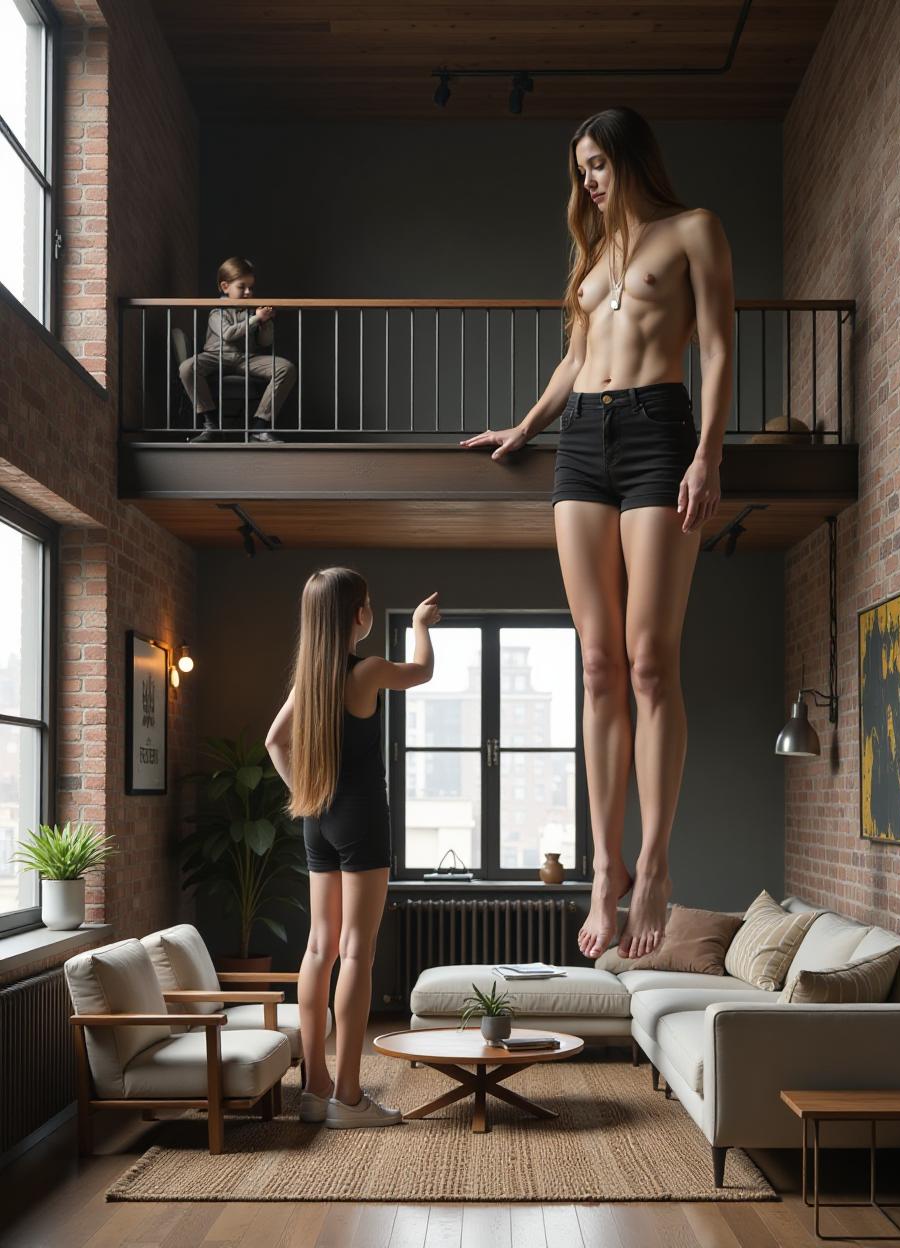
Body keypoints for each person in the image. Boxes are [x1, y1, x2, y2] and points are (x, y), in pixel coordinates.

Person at [461, 107, 732, 961]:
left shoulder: (694, 231)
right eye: (579, 169)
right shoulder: (593, 258)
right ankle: (603, 867)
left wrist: (707, 457)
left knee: (651, 658)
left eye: (597, 165)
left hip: (660, 432)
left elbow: (719, 349)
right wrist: (526, 427)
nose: (588, 181)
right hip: (581, 441)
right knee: (596, 662)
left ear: (630, 159)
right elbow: (578, 357)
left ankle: (654, 862)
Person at [265, 568, 441, 1127]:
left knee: (320, 948)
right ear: (357, 615)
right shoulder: (366, 672)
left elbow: (274, 740)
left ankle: (314, 1089)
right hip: (362, 821)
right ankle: (347, 1097)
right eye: (367, 604)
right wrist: (419, 625)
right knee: (358, 950)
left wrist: (308, 795)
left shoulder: (311, 680)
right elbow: (423, 671)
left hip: (316, 819)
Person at [180, 256, 296, 443]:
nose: (248, 292)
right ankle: (211, 425)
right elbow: (228, 334)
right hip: (215, 356)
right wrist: (255, 319)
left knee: (286, 368)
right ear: (225, 287)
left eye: (251, 287)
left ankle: (259, 428)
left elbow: (265, 342)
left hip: (246, 358)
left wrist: (266, 323)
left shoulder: (252, 310)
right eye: (242, 287)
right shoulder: (216, 311)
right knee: (187, 368)